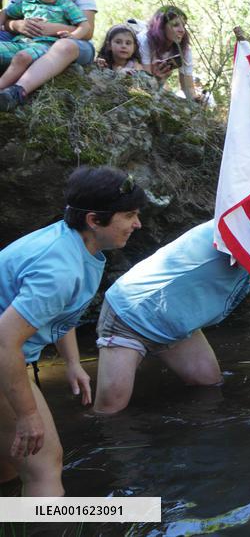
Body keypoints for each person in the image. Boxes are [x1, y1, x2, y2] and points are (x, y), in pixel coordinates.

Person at [92, 200, 250, 414]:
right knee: (111, 408)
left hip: (176, 326)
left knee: (209, 386)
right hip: (132, 315)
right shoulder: (240, 230)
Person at [0, 167, 145, 496]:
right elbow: (4, 342)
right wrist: (27, 415)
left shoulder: (71, 243)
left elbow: (56, 311)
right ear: (94, 220)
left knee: (9, 464)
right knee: (45, 468)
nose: (137, 224)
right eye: (129, 215)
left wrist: (72, 362)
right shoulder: (60, 269)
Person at [0, 0, 98, 107]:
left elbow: (87, 31)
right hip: (26, 40)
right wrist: (18, 25)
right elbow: (8, 17)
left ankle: (17, 91)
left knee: (64, 46)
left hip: (73, 43)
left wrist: (53, 28)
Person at [131, 6, 202, 102]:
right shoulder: (144, 40)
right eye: (175, 25)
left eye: (184, 25)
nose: (182, 30)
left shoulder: (184, 49)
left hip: (157, 88)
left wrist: (196, 101)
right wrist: (157, 78)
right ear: (161, 26)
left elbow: (188, 87)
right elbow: (145, 83)